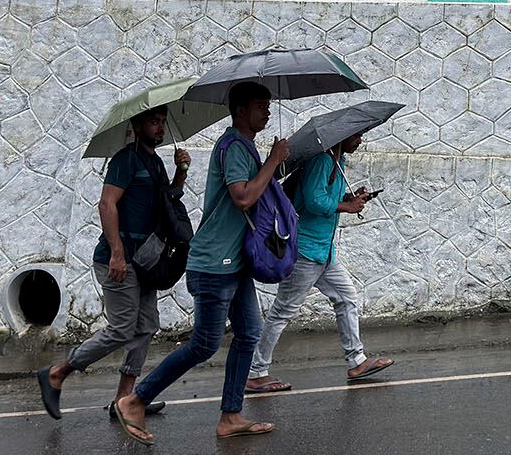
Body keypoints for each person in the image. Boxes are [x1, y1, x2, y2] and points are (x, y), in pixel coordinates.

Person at [113, 81, 291, 444]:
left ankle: (230, 415)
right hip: (214, 263)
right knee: (204, 344)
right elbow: (242, 197)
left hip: (234, 261)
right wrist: (272, 161)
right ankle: (135, 400)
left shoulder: (245, 147)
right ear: (240, 110)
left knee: (248, 333)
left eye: (268, 105)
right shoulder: (233, 146)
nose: (267, 112)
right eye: (260, 105)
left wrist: (276, 165)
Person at [36, 105, 188, 420]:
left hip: (145, 262)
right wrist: (117, 252)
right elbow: (107, 203)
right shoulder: (125, 160)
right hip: (118, 260)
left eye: (161, 122)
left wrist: (181, 171)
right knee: (122, 329)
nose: (159, 128)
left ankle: (125, 399)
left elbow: (167, 199)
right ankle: (57, 373)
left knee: (146, 327)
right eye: (153, 122)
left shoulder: (155, 162)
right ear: (137, 124)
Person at [245, 130, 393, 393]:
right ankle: (256, 371)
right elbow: (313, 201)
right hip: (306, 251)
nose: (360, 140)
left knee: (346, 297)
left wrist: (348, 199)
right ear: (341, 136)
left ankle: (357, 361)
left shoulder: (338, 161)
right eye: (357, 135)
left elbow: (323, 198)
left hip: (324, 253)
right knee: (283, 311)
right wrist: (345, 207)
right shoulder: (322, 160)